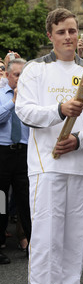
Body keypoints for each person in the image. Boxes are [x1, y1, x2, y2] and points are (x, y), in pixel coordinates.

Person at [15, 8, 83, 284]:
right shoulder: (35, 69)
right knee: (46, 241)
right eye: (61, 32)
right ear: (50, 36)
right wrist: (59, 111)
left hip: (81, 167)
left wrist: (79, 140)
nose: (68, 37)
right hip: (48, 167)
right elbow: (25, 110)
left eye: (72, 30)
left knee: (72, 244)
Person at [0, 59, 31, 265]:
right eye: (17, 75)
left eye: (23, 75)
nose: (20, 79)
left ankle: (32, 245)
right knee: (1, 201)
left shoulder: (31, 97)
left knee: (27, 201)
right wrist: (13, 102)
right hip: (3, 153)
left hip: (24, 153)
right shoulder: (2, 95)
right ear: (8, 75)